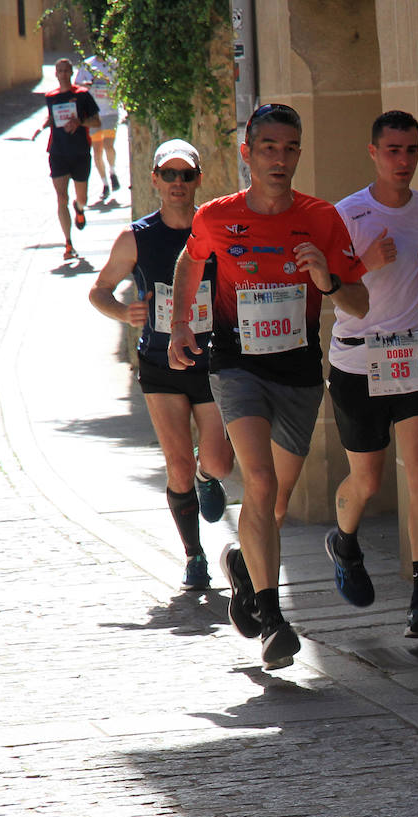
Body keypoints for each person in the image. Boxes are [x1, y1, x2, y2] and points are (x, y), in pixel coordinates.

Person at [168, 104, 368, 670]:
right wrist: (182, 322)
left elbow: (360, 300)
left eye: (290, 148)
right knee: (255, 478)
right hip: (237, 364)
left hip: (299, 369)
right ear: (248, 152)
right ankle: (275, 621)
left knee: (272, 501)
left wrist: (326, 280)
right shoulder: (216, 216)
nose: (280, 159)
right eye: (269, 148)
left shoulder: (323, 218)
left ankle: (241, 572)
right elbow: (189, 261)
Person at [87, 139, 234, 591]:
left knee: (220, 462)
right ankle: (194, 556)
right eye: (167, 174)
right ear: (154, 179)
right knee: (176, 465)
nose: (176, 183)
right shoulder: (136, 237)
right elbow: (99, 290)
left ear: (197, 181)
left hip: (210, 362)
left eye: (185, 175)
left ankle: (208, 476)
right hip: (159, 362)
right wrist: (121, 312)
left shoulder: (215, 229)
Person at [325, 110, 418, 638]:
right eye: (394, 150)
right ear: (373, 152)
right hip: (358, 359)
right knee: (369, 480)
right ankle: (344, 541)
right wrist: (363, 262)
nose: (404, 160)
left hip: (415, 352)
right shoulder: (346, 214)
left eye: (412, 150)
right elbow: (326, 284)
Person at [30, 58, 100, 261]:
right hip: (57, 151)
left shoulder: (83, 95)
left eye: (65, 70)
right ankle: (68, 243)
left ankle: (80, 209)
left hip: (79, 152)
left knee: (82, 198)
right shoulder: (51, 97)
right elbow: (51, 118)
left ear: (71, 72)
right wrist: (41, 127)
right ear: (55, 74)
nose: (62, 74)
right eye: (59, 70)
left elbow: (97, 120)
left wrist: (80, 122)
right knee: (61, 198)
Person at [74, 55, 121, 201]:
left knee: (108, 145)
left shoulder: (113, 63)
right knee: (97, 150)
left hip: (110, 111)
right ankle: (105, 184)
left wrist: (110, 84)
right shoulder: (87, 65)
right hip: (93, 114)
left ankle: (112, 172)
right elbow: (77, 85)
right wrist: (89, 85)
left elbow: (120, 84)